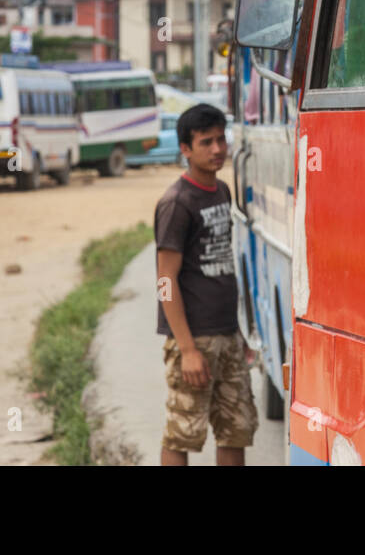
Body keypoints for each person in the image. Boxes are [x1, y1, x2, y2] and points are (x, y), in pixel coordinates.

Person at [154, 103, 256, 465]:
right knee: (183, 431)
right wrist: (187, 349)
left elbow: (222, 266)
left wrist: (239, 332)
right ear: (185, 149)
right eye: (205, 142)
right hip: (193, 337)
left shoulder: (221, 191)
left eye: (220, 140)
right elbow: (165, 280)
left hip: (227, 334)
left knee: (235, 428)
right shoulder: (176, 203)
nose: (217, 149)